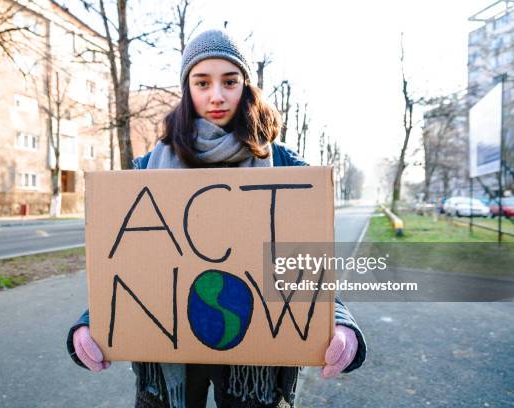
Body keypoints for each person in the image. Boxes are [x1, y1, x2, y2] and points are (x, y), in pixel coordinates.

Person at [67, 29, 366, 408]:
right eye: (202, 82)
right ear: (187, 88)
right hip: (166, 360)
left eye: (229, 81)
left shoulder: (287, 168)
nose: (216, 95)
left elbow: (306, 263)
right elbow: (129, 266)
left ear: (245, 85)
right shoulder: (145, 170)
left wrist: (337, 320)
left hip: (256, 357)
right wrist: (93, 321)